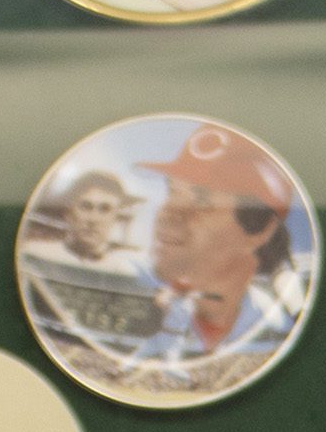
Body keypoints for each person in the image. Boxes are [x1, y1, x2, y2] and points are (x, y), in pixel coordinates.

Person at [121, 121, 307, 393]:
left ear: (259, 230)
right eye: (172, 191)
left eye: (202, 201)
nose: (168, 212)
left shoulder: (276, 319)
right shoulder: (125, 278)